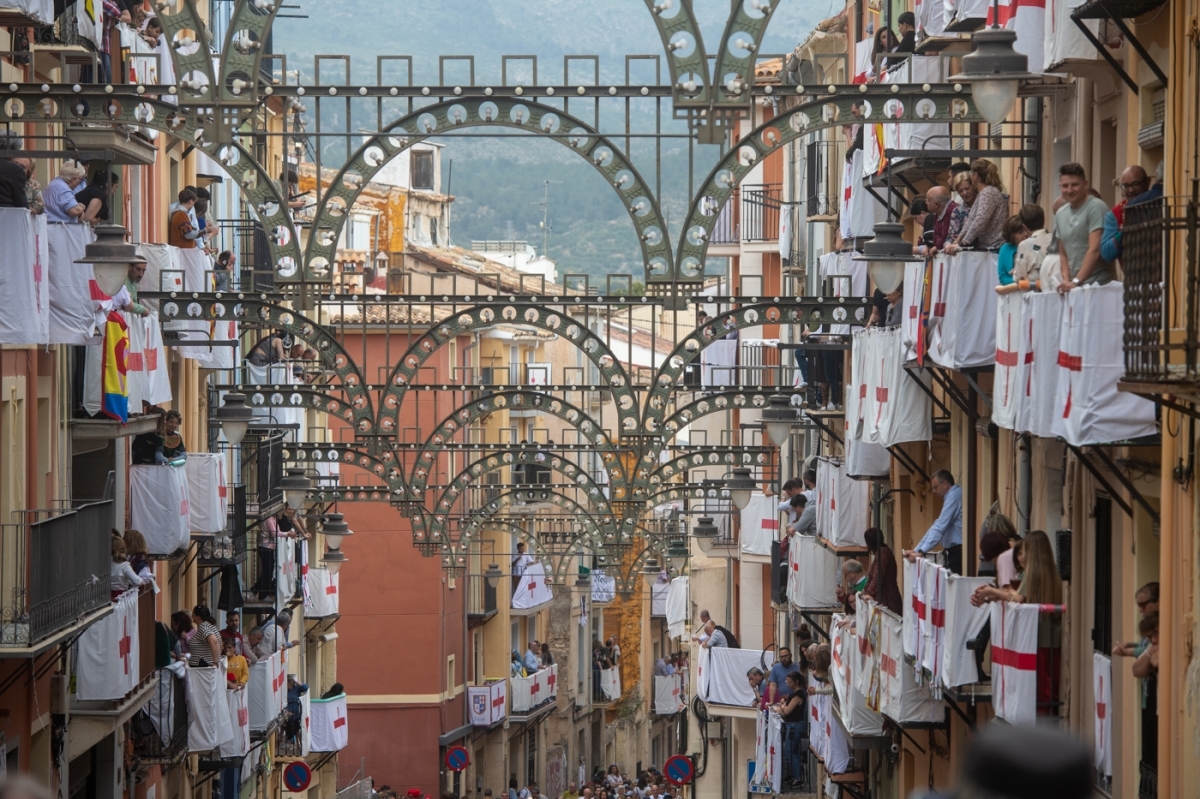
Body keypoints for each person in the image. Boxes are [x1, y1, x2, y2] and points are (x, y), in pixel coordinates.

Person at [970, 530, 1063, 713]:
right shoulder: (1051, 571)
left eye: (1023, 551)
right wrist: (993, 595)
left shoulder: (1031, 574)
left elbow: (1019, 599)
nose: (1020, 557)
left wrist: (992, 592)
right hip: (1051, 636)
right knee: (1048, 685)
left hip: (1036, 637)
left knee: (1040, 688)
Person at [1053, 162, 1117, 291]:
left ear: (1085, 184)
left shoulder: (1096, 207)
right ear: (1060, 186)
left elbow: (1095, 249)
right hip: (1075, 288)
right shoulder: (1060, 213)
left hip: (1099, 285)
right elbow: (1063, 254)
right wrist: (1066, 280)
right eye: (1065, 186)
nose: (1069, 190)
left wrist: (1076, 281)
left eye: (1075, 185)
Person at [904, 470, 963, 574]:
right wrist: (917, 550)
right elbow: (936, 525)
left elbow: (940, 527)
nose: (934, 491)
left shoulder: (953, 496)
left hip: (958, 552)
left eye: (935, 487)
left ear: (945, 484)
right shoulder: (952, 496)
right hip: (954, 552)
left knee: (953, 582)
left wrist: (921, 552)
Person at [945, 159, 1006, 252]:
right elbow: (971, 219)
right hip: (988, 248)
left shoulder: (988, 192)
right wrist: (957, 240)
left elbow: (980, 220)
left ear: (976, 175)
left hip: (995, 247)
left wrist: (963, 243)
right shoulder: (983, 193)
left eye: (971, 173)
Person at [1100, 165, 1151, 264]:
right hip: (1131, 271)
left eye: (1135, 184)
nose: (1131, 190)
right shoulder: (1115, 214)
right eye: (1126, 186)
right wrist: (1125, 231)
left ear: (1147, 182)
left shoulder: (1157, 204)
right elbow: (1106, 253)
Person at [771, 671, 808, 789]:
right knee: (793, 751)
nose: (788, 684)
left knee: (789, 751)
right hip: (791, 725)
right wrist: (783, 707)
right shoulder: (794, 694)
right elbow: (785, 707)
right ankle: (796, 775)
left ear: (796, 681)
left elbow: (786, 711)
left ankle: (798, 777)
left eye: (790, 682)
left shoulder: (798, 695)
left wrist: (782, 708)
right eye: (787, 682)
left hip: (794, 726)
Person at [861, 527, 902, 614]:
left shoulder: (882, 553)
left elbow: (878, 576)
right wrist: (865, 591)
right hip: (885, 597)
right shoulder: (882, 552)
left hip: (887, 599)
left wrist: (869, 593)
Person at [1113, 582, 1160, 657]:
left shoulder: (1162, 623)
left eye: (1143, 605)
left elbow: (1152, 649)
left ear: (1159, 602)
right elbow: (1145, 646)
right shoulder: (1149, 623)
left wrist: (1128, 652)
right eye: (1139, 605)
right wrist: (1131, 645)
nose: (1140, 610)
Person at [1012, 203, 1051, 289]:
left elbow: (1019, 278)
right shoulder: (1056, 239)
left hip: (1037, 292)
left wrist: (1015, 273)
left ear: (1024, 227)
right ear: (1044, 220)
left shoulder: (1024, 245)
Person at [945, 167, 975, 243]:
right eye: (961, 191)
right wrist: (948, 244)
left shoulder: (983, 204)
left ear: (973, 186)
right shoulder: (957, 211)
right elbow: (951, 236)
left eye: (967, 188)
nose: (965, 193)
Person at [922, 186, 955, 253]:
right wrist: (938, 244)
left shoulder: (953, 212)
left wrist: (938, 244)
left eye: (928, 200)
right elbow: (935, 237)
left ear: (936, 204)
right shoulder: (937, 213)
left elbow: (943, 241)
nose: (926, 202)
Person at [285, 675, 308, 743]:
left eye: (287, 684)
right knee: (288, 723)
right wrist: (287, 712)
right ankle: (290, 739)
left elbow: (306, 688)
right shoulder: (284, 691)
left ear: (291, 683)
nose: (286, 686)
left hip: (296, 714)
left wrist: (296, 682)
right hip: (287, 714)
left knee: (296, 724)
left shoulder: (296, 689)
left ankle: (295, 741)